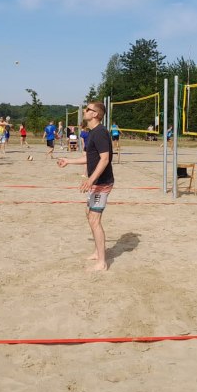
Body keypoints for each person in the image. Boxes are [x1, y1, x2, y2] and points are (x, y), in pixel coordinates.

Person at [57, 101, 114, 272]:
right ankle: (98, 252)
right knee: (89, 214)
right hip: (96, 182)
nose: (85, 111)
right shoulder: (93, 133)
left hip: (102, 183)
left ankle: (102, 262)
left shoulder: (100, 133)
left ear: (95, 114)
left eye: (88, 109)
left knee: (94, 220)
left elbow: (105, 159)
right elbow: (92, 158)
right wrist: (69, 161)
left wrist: (90, 180)